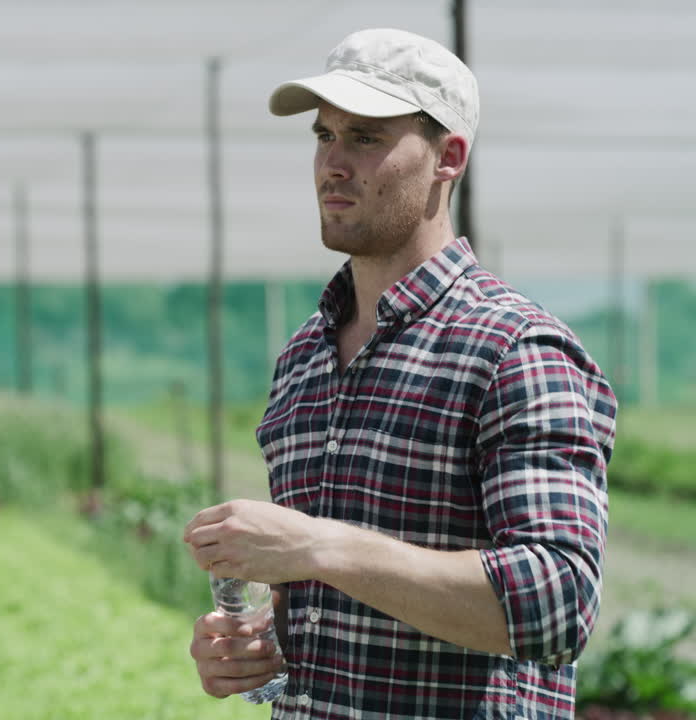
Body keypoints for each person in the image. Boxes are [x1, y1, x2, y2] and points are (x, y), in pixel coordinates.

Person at [183, 28, 616, 719]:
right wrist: (262, 649)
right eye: (324, 136)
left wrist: (317, 545)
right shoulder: (305, 357)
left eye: (365, 138)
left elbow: (557, 606)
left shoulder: (513, 349)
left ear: (448, 157)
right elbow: (341, 599)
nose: (332, 163)